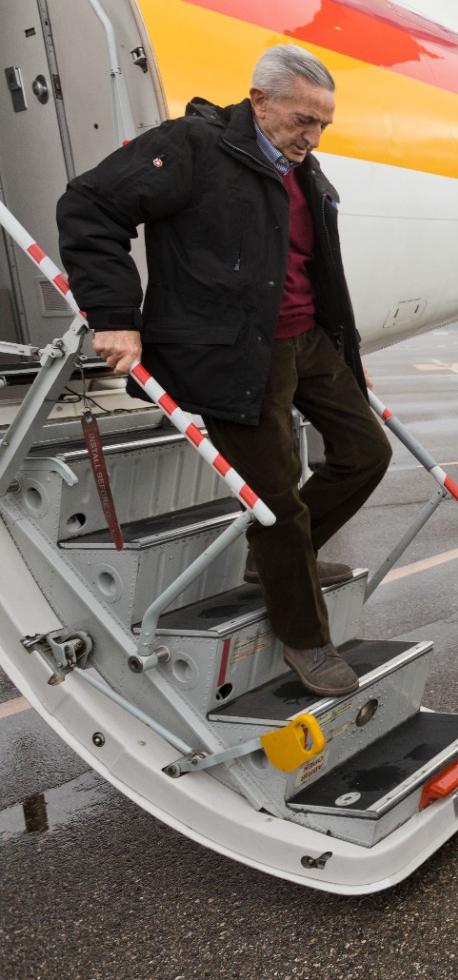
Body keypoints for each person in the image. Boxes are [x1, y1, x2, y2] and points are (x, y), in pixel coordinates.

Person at [56, 44, 391, 697]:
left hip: (307, 340)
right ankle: (304, 637)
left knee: (365, 454)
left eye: (323, 124)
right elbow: (90, 206)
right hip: (232, 351)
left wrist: (347, 361)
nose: (314, 136)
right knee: (278, 503)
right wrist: (115, 315)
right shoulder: (193, 147)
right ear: (260, 101)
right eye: (303, 120)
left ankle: (274, 564)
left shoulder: (303, 169)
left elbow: (315, 276)